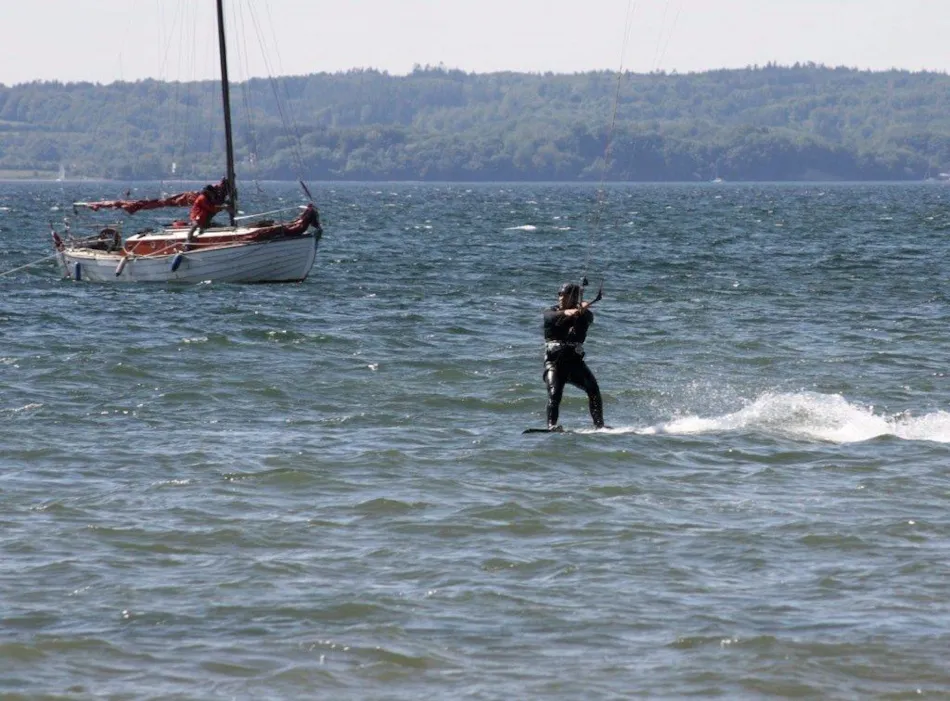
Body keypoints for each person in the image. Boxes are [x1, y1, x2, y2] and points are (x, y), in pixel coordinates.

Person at [542, 281, 604, 430]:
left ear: (574, 298)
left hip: (575, 363)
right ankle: (552, 426)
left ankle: (599, 426)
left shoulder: (585, 314)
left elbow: (588, 318)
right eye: (560, 294)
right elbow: (553, 317)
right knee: (554, 393)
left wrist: (581, 311)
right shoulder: (550, 312)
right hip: (554, 364)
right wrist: (568, 312)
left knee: (594, 390)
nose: (561, 297)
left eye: (565, 295)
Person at [184, 184, 227, 248]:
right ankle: (188, 239)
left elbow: (213, 206)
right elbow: (210, 208)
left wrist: (222, 205)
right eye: (211, 192)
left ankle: (203, 227)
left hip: (203, 215)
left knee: (204, 221)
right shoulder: (202, 198)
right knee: (195, 224)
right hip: (197, 214)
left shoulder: (208, 197)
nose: (212, 193)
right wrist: (223, 207)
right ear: (207, 192)